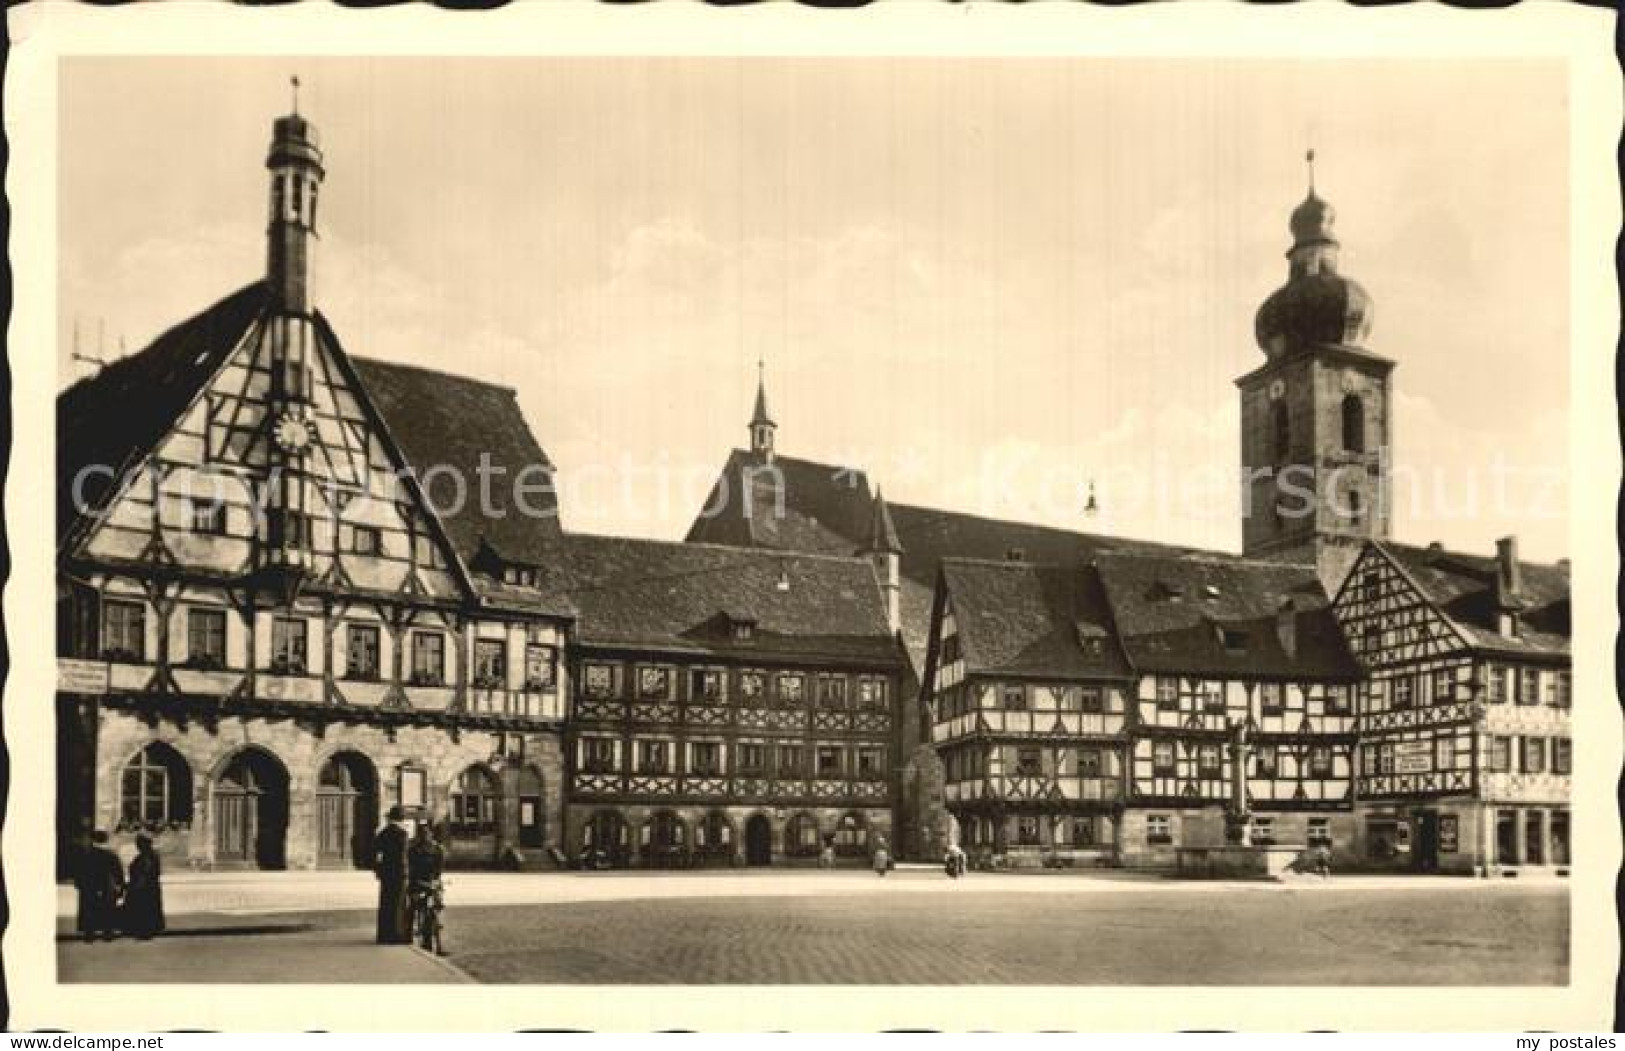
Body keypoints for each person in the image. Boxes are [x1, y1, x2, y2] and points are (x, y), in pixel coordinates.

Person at [73, 830, 125, 943]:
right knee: (107, 909)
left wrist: (79, 883)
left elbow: (79, 871)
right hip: (106, 885)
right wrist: (120, 885)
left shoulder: (87, 854)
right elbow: (118, 872)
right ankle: (107, 933)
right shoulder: (111, 854)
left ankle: (89, 934)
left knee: (90, 909)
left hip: (90, 885)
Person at [372, 806, 412, 945]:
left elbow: (376, 854)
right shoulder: (402, 834)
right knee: (399, 903)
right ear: (401, 819)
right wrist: (406, 872)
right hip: (399, 873)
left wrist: (378, 870)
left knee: (385, 903)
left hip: (386, 872)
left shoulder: (383, 833)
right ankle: (396, 935)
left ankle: (384, 935)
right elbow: (403, 856)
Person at [407, 822, 448, 955]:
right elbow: (411, 868)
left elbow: (439, 869)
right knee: (413, 908)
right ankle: (410, 934)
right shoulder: (413, 849)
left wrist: (434, 882)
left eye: (427, 833)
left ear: (431, 834)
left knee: (435, 910)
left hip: (432, 883)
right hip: (417, 883)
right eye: (422, 833)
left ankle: (435, 942)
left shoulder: (438, 849)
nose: (425, 836)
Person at [121, 833, 165, 939]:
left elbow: (145, 873)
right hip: (148, 887)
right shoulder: (149, 856)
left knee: (144, 909)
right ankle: (144, 929)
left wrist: (136, 886)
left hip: (145, 889)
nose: (137, 846)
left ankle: (143, 930)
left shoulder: (148, 857)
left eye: (139, 843)